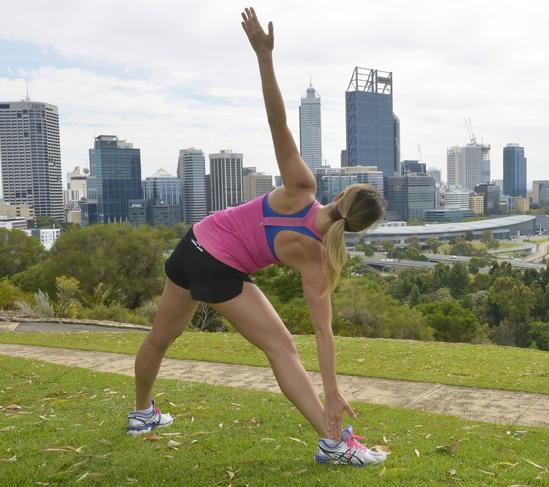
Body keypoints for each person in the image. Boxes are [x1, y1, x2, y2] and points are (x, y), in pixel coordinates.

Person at [127, 7, 387, 467]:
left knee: (158, 340)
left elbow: (276, 124)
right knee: (282, 348)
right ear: (359, 229)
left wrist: (264, 58)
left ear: (343, 191)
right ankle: (332, 443)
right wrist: (331, 389)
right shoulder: (318, 262)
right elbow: (322, 335)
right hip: (218, 266)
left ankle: (142, 412)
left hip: (192, 244)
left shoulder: (301, 189)